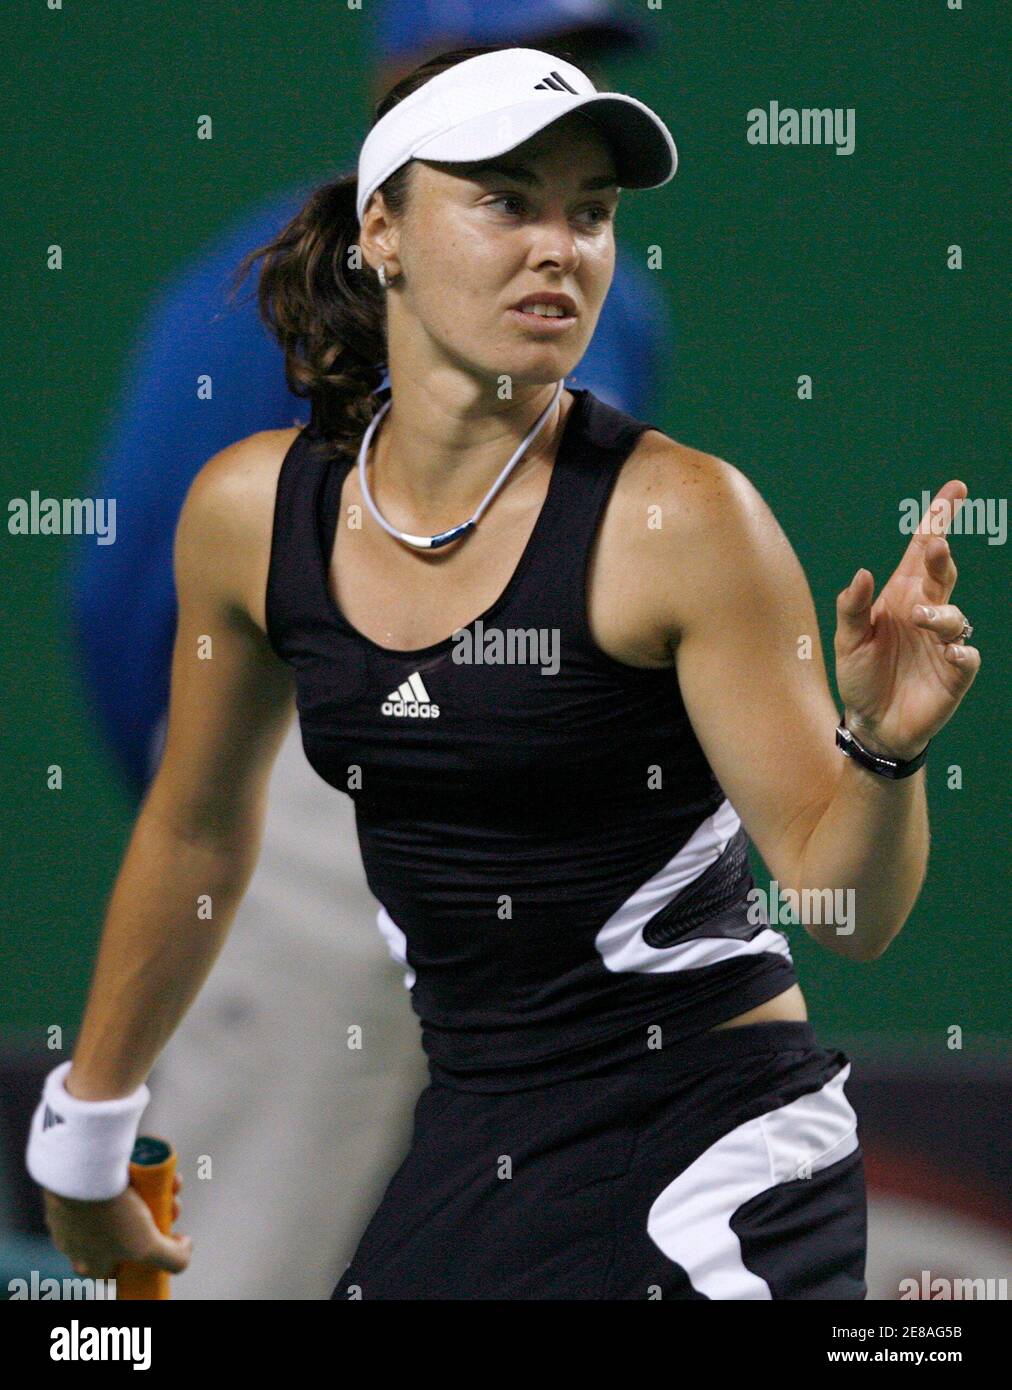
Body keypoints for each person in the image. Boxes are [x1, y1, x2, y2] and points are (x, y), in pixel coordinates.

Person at [29, 44, 980, 1299]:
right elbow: (197, 829)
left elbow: (848, 915)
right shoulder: (250, 513)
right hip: (478, 1141)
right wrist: (87, 1132)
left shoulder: (687, 518)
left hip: (715, 1145)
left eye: (590, 213)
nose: (561, 246)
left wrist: (886, 743)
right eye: (507, 200)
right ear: (385, 232)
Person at [63, 3, 669, 1300]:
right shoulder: (253, 291)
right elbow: (126, 608)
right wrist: (249, 800)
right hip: (318, 821)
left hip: (551, 857)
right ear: (405, 89)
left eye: (578, 71)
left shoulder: (618, 310)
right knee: (236, 1262)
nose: (552, 101)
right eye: (496, 82)